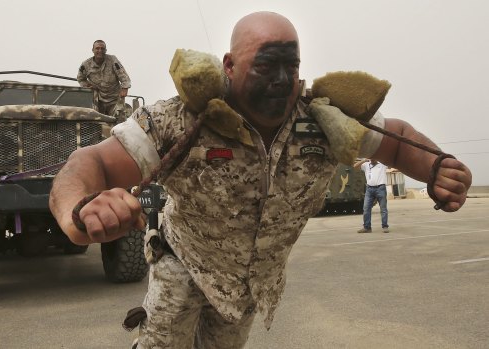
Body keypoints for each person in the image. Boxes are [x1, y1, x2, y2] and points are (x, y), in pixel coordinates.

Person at [50, 11, 472, 348]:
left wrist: (435, 169)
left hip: (250, 284)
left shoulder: (324, 120)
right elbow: (93, 163)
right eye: (267, 65)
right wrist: (78, 209)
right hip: (185, 262)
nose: (283, 80)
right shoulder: (181, 119)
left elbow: (395, 141)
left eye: (292, 65)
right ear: (229, 65)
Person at [77, 40, 132, 122]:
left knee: (120, 121)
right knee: (96, 122)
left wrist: (125, 88)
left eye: (102, 49)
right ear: (93, 50)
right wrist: (87, 86)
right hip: (98, 100)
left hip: (115, 98)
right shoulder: (86, 65)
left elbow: (123, 75)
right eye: (97, 48)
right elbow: (80, 78)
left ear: (105, 50)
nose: (100, 51)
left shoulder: (112, 60)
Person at [355, 159, 389, 233]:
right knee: (366, 208)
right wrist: (363, 160)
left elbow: (391, 164)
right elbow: (355, 166)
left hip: (380, 188)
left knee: (383, 208)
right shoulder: (366, 165)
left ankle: (385, 226)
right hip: (369, 189)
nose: (373, 159)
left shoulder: (382, 164)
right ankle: (367, 227)